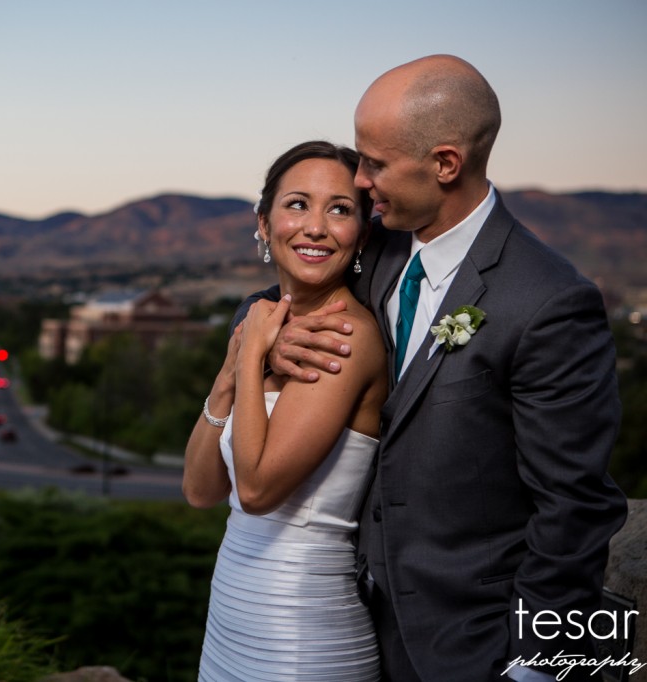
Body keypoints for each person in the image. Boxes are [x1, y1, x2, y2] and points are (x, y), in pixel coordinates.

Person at [238, 55, 628, 681]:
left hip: (469, 643)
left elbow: (575, 508)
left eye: (375, 163)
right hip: (347, 622)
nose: (359, 182)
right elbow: (283, 284)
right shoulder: (378, 247)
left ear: (445, 163)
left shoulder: (548, 301)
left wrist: (533, 668)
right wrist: (270, 339)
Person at [183, 140, 388, 681]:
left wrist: (248, 354)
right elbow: (201, 492)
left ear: (362, 233)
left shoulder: (345, 336)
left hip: (301, 625)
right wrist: (230, 376)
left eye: (340, 209)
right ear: (263, 222)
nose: (315, 227)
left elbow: (253, 490)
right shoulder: (262, 318)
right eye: (297, 203)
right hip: (232, 609)